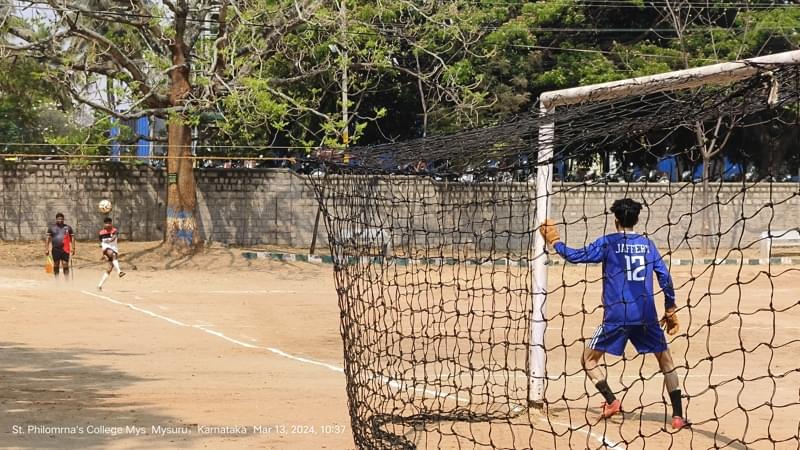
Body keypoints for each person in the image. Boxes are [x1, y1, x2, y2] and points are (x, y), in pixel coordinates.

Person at [539, 198, 690, 430]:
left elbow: (576, 256)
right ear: (637, 219)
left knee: (588, 360)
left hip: (617, 316)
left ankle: (612, 401)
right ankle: (678, 416)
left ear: (616, 220)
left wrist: (555, 242)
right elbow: (665, 278)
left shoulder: (608, 243)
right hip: (646, 315)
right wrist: (670, 308)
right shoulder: (647, 245)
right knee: (666, 362)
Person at [97, 217, 125, 290]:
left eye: (109, 223)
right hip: (106, 248)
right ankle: (119, 271)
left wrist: (110, 241)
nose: (108, 225)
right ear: (104, 224)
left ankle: (99, 285)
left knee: (109, 268)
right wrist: (103, 252)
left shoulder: (114, 230)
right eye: (106, 223)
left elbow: (114, 237)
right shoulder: (101, 232)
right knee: (113, 254)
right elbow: (100, 243)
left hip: (114, 248)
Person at [45, 212, 75, 280]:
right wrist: (46, 249)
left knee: (65, 264)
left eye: (62, 219)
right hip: (56, 249)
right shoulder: (51, 228)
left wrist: (73, 248)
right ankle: (57, 280)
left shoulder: (68, 228)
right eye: (59, 219)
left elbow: (72, 238)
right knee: (56, 264)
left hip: (65, 249)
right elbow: (48, 239)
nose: (60, 220)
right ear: (56, 219)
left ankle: (67, 281)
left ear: (63, 219)